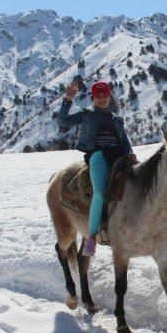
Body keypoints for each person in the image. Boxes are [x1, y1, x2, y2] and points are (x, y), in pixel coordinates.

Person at [56, 80, 136, 257]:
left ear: (109, 97)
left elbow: (124, 141)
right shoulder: (86, 114)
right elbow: (62, 121)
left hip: (119, 156)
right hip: (98, 155)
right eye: (98, 96)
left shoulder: (117, 119)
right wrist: (67, 100)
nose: (102, 99)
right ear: (93, 98)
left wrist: (130, 152)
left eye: (105, 95)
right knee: (99, 192)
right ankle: (92, 238)